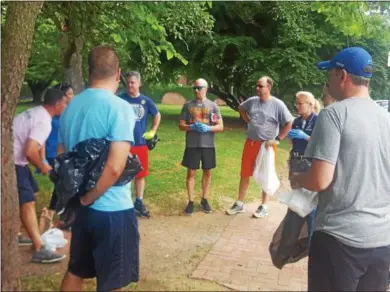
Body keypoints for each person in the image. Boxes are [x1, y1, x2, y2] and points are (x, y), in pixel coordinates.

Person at [290, 47, 390, 291]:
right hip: (382, 241)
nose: (327, 80)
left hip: (339, 240)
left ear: (342, 75)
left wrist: (297, 179)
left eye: (330, 73)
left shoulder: (334, 115)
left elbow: (320, 180)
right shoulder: (386, 118)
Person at [59, 46, 139, 291]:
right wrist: (89, 198)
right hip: (112, 209)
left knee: (76, 270)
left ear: (88, 72)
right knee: (112, 281)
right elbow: (116, 167)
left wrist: (79, 199)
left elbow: (62, 156)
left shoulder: (70, 106)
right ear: (119, 74)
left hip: (83, 212)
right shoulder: (120, 108)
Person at [226, 76, 293, 218]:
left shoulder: (277, 104)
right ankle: (240, 203)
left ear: (268, 87)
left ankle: (264, 205)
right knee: (245, 173)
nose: (257, 88)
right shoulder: (252, 101)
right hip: (250, 143)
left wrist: (278, 138)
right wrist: (248, 120)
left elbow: (289, 122)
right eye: (257, 86)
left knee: (266, 174)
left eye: (260, 86)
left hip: (267, 146)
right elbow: (241, 108)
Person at [13, 88, 68, 263]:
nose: (66, 106)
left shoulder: (36, 111)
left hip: (15, 159)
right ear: (57, 104)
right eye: (65, 103)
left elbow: (37, 143)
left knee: (33, 192)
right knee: (27, 202)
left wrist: (43, 160)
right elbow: (29, 151)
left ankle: (18, 233)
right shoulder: (44, 121)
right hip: (12, 161)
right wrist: (41, 167)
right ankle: (39, 248)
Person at [119, 71, 161, 218]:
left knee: (140, 174)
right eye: (128, 82)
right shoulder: (120, 99)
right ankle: (125, 204)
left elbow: (157, 114)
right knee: (122, 174)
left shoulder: (145, 101)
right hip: (123, 143)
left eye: (133, 82)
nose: (130, 85)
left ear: (139, 84)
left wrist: (153, 130)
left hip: (140, 143)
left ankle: (138, 202)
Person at [179, 78, 224, 216]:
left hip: (208, 145)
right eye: (195, 88)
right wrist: (190, 127)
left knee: (207, 172)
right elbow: (181, 125)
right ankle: (191, 201)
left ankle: (204, 199)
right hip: (192, 144)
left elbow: (220, 127)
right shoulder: (187, 105)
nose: (196, 90)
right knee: (191, 172)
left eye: (199, 88)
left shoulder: (213, 106)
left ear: (206, 88)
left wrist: (208, 128)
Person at [287, 91, 322, 239]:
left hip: (308, 162)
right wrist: (292, 137)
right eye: (296, 103)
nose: (297, 106)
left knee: (309, 197)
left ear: (310, 105)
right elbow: (292, 142)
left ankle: (311, 231)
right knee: (296, 196)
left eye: (300, 103)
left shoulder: (318, 121)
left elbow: (320, 142)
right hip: (296, 160)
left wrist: (305, 136)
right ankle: (297, 231)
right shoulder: (296, 121)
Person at [42, 83, 74, 229]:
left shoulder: (69, 112)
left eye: (72, 94)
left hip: (63, 153)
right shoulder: (54, 115)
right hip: (53, 153)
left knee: (63, 184)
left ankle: (59, 213)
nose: (71, 97)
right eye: (69, 94)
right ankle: (58, 214)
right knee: (62, 185)